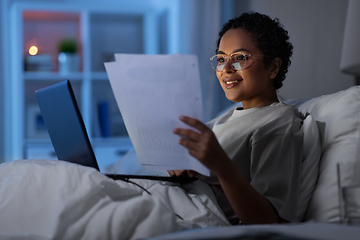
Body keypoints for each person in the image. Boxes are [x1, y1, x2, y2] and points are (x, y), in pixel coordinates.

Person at [168, 12, 319, 225]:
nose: (227, 69)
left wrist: (220, 164)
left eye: (240, 58)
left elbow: (267, 220)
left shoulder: (278, 122)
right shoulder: (227, 117)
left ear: (273, 67)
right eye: (221, 59)